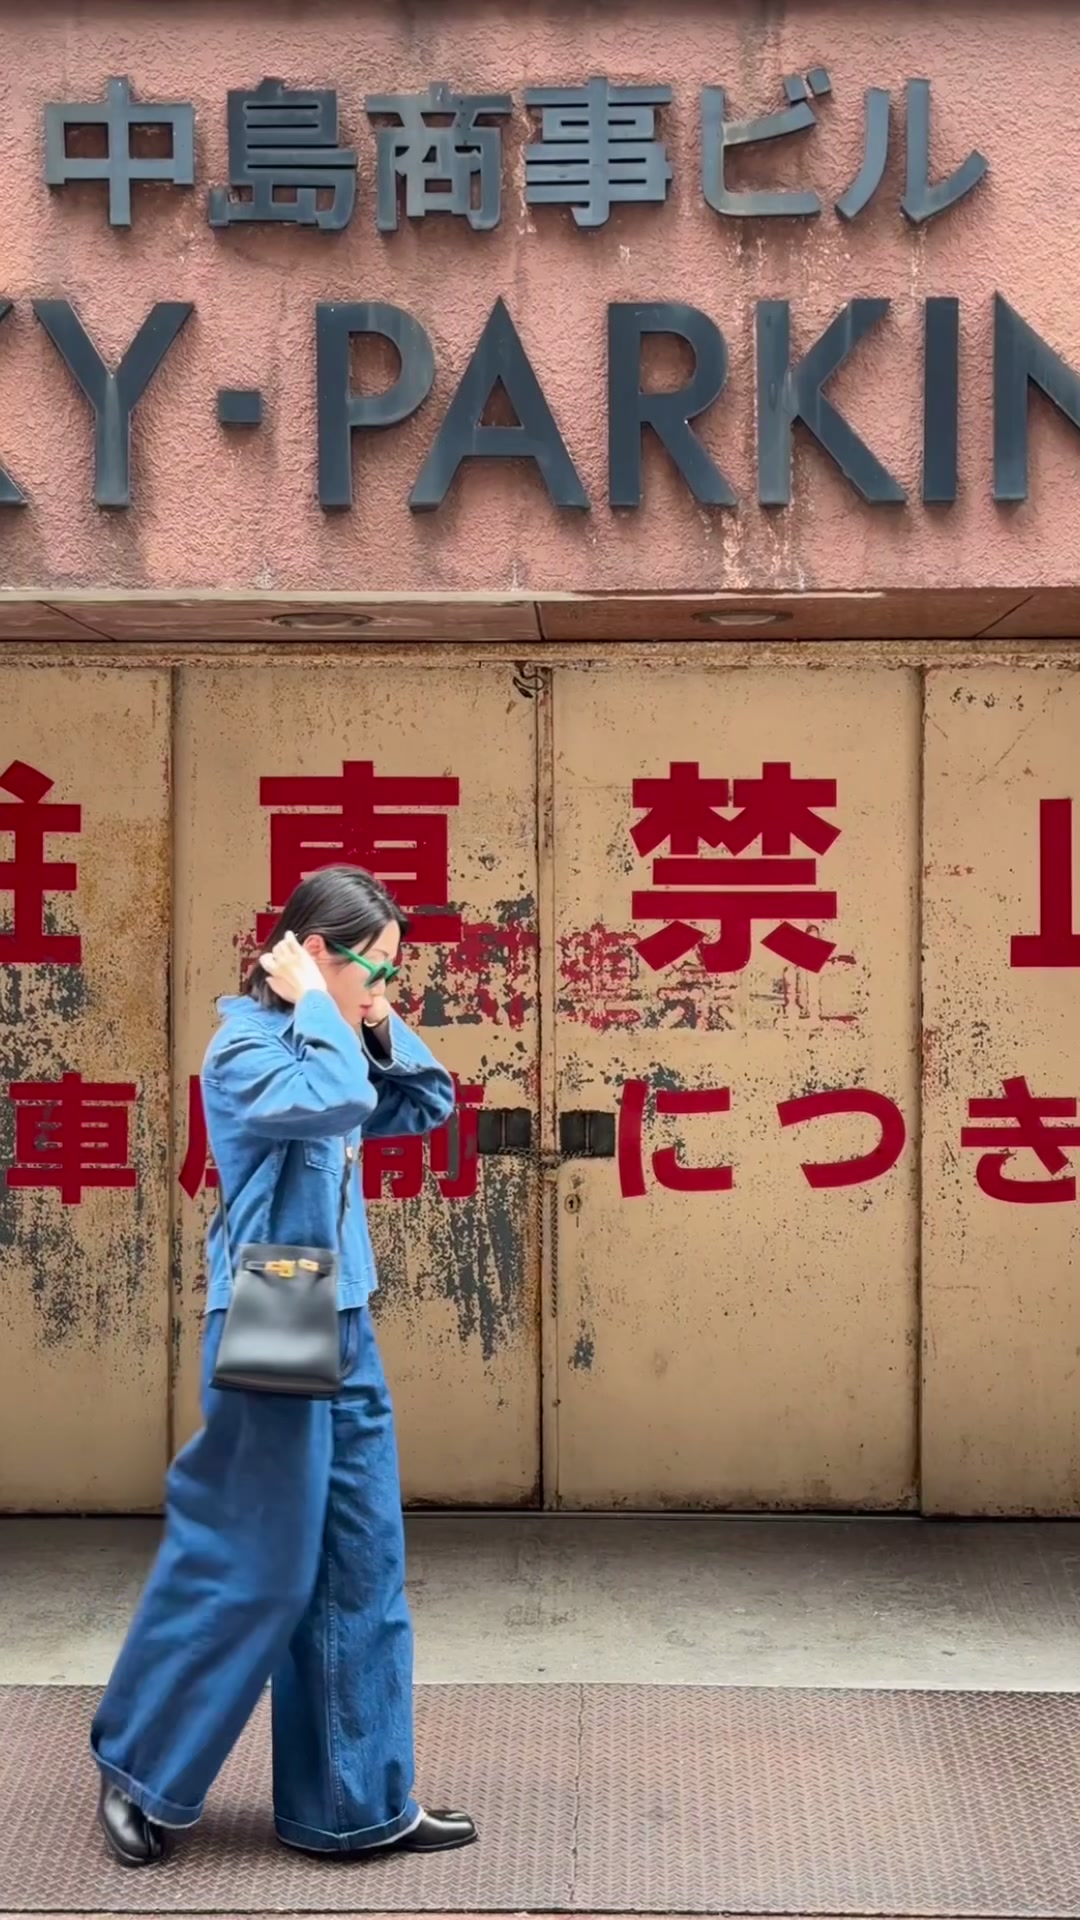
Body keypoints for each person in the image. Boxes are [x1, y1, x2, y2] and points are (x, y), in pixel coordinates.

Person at [91, 864, 476, 1868]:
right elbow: (339, 1097)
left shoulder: (333, 1036)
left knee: (362, 1562)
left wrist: (375, 1019)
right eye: (374, 968)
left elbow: (425, 1100)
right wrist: (316, 1005)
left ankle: (354, 1805)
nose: (384, 986)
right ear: (312, 953)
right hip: (276, 1304)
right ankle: (138, 1766)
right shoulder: (248, 1050)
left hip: (340, 1312)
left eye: (394, 970)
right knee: (255, 1564)